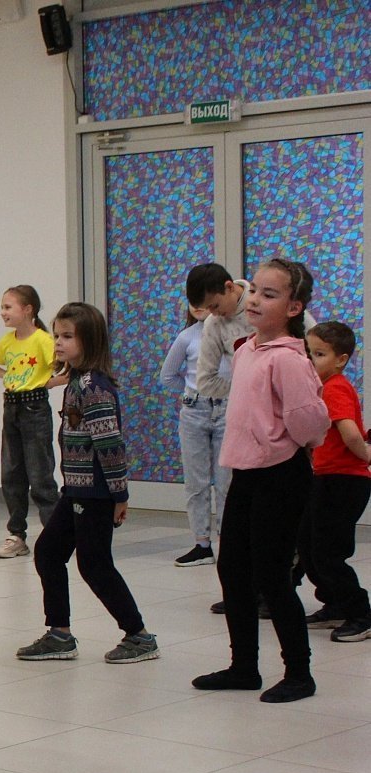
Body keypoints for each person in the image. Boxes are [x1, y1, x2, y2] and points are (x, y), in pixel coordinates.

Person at [193, 259, 329, 703]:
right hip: (246, 473)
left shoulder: (289, 359)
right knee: (233, 570)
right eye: (254, 290)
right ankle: (244, 667)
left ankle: (299, 673)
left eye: (270, 295)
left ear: (294, 308)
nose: (254, 300)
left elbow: (310, 423)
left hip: (281, 475)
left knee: (272, 574)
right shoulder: (247, 349)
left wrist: (286, 444)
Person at [15, 303, 159, 665]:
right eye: (56, 335)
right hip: (77, 490)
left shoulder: (94, 387)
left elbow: (110, 445)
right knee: (48, 553)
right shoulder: (77, 381)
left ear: (89, 341)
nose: (58, 343)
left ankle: (139, 635)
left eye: (67, 336)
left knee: (95, 564)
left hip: (95, 492)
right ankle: (59, 634)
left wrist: (119, 494)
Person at [298, 322, 371, 642]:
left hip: (344, 481)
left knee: (328, 552)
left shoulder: (334, 387)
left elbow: (351, 433)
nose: (310, 360)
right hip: (326, 478)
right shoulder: (321, 387)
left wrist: (365, 454)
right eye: (308, 352)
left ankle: (361, 614)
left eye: (319, 354)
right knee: (308, 545)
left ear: (340, 360)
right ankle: (336, 604)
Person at [0, 284, 61, 558]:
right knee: (11, 473)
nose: (3, 312)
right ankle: (16, 534)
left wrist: (46, 382)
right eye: (2, 307)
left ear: (28, 309)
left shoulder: (43, 340)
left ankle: (55, 534)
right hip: (12, 407)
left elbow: (62, 366)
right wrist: (7, 376)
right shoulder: (8, 341)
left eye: (8, 307)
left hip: (34, 408)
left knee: (40, 474)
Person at [158, 301, 226, 567]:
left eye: (204, 299)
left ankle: (228, 543)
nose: (198, 305)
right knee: (196, 482)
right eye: (193, 300)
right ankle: (202, 544)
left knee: (226, 482)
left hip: (227, 409)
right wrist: (192, 391)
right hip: (194, 411)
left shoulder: (231, 332)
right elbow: (168, 376)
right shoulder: (187, 336)